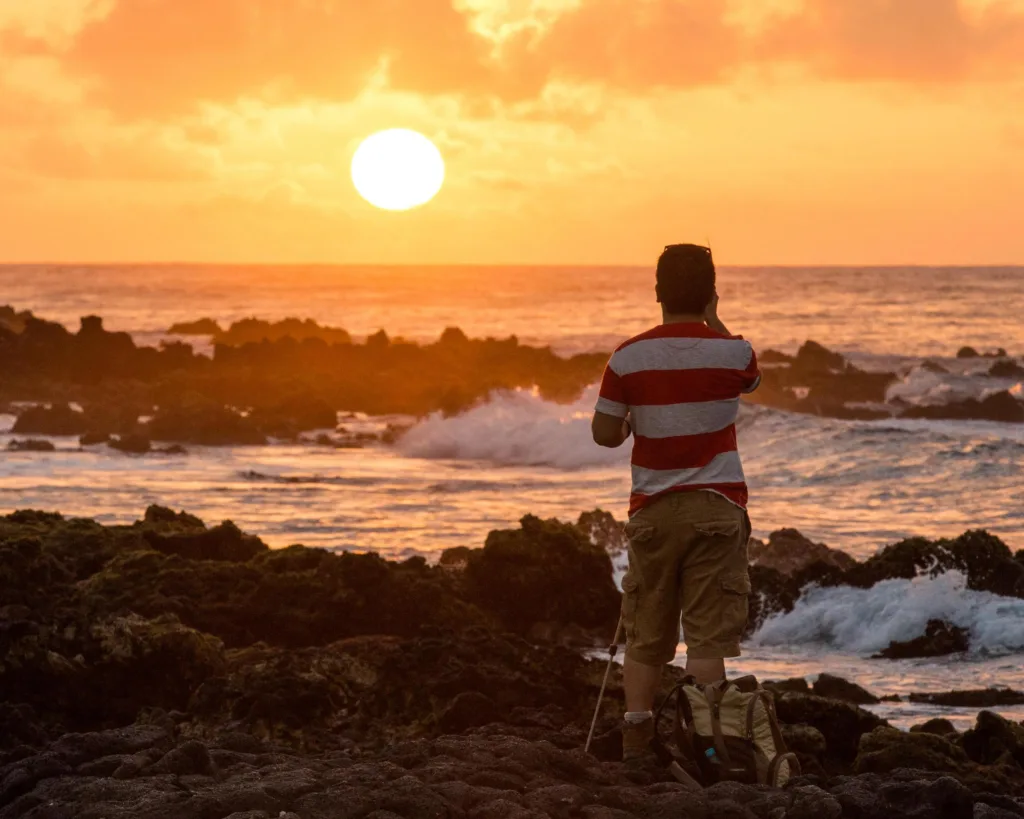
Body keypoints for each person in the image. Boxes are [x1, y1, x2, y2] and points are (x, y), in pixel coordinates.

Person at [591, 243, 761, 763]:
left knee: (646, 634)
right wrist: (715, 319)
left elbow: (604, 434)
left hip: (655, 511)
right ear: (711, 293)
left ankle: (637, 741)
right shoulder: (735, 353)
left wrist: (633, 424)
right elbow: (752, 381)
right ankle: (708, 747)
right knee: (707, 640)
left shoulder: (627, 357)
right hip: (717, 508)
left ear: (657, 292)